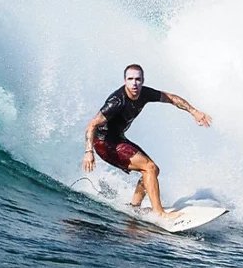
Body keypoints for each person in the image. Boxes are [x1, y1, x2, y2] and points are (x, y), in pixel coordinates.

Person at [82, 64, 212, 218]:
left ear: (143, 80)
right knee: (149, 168)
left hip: (118, 139)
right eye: (130, 79)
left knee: (153, 170)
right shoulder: (116, 101)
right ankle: (160, 213)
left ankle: (134, 207)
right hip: (104, 143)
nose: (134, 83)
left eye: (138, 79)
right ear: (125, 81)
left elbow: (171, 98)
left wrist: (194, 112)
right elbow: (91, 125)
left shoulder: (144, 93)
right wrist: (89, 152)